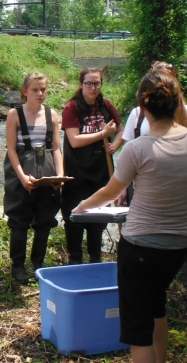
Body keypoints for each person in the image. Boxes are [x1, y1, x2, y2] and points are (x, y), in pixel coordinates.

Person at [74, 69, 187, 363]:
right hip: (178, 246)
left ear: (141, 104)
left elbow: (111, 192)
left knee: (138, 328)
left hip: (139, 248)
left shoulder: (137, 148)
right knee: (157, 307)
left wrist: (82, 206)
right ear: (178, 102)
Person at [119, 62, 187, 316]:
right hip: (141, 184)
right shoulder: (137, 114)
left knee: (183, 242)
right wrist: (122, 188)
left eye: (166, 74)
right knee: (142, 239)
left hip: (176, 186)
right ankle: (154, 295)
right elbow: (129, 149)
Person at [4, 73, 64, 282]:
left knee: (45, 218)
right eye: (35, 90)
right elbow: (11, 149)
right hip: (21, 171)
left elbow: (56, 148)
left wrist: (60, 175)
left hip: (46, 171)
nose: (40, 94)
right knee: (19, 219)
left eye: (43, 89)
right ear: (25, 91)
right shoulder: (14, 114)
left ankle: (38, 263)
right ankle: (18, 266)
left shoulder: (52, 114)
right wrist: (21, 177)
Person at [61, 67, 123, 265]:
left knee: (97, 218)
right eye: (89, 83)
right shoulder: (72, 108)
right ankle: (75, 260)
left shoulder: (105, 106)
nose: (93, 88)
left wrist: (115, 144)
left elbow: (121, 129)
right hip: (76, 172)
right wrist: (103, 134)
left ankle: (95, 259)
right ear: (81, 84)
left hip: (101, 171)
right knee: (74, 217)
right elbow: (75, 140)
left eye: (97, 83)